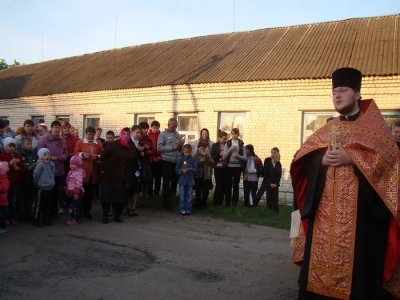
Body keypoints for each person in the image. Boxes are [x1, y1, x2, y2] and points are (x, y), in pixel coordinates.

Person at [291, 67, 400, 299]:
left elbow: (390, 162)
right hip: (324, 221)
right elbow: (303, 160)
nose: (337, 95)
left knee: (360, 282)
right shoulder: (326, 129)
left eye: (342, 90)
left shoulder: (375, 130)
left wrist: (353, 158)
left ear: (357, 93)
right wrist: (321, 161)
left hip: (362, 222)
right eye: (334, 92)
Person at [100, 127, 139, 224]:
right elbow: (103, 156)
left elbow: (135, 163)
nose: (126, 136)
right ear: (121, 134)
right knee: (107, 198)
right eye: (124, 134)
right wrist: (104, 169)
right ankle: (105, 216)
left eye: (127, 134)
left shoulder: (132, 148)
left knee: (121, 199)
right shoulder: (112, 145)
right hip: (110, 177)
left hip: (125, 178)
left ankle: (117, 215)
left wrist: (135, 175)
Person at [36, 120, 68, 217]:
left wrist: (64, 157)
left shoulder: (62, 139)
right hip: (47, 170)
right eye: (56, 128)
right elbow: (39, 153)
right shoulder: (44, 139)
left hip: (59, 170)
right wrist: (51, 158)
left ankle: (54, 213)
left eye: (59, 128)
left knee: (57, 193)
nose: (58, 130)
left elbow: (66, 152)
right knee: (48, 194)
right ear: (51, 128)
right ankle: (44, 214)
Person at [74, 126, 103, 219]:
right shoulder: (80, 142)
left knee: (90, 195)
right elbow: (75, 153)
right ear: (86, 134)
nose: (90, 136)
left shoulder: (98, 143)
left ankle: (87, 212)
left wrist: (97, 157)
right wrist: (83, 155)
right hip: (82, 173)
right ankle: (78, 211)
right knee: (81, 193)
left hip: (93, 173)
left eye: (92, 134)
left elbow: (103, 154)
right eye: (89, 134)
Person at [157, 118, 184, 210]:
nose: (174, 128)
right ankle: (166, 203)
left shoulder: (177, 134)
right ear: (168, 125)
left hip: (176, 161)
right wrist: (172, 147)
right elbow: (159, 148)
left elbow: (179, 148)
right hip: (166, 161)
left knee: (175, 181)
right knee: (166, 182)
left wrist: (180, 146)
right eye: (173, 126)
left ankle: (172, 199)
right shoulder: (163, 134)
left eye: (176, 127)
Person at [0, 138, 24, 226]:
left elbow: (22, 167)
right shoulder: (2, 156)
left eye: (13, 146)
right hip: (5, 183)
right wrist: (10, 163)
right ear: (5, 146)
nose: (12, 148)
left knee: (13, 201)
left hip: (15, 182)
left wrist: (19, 168)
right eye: (10, 146)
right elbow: (1, 168)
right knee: (5, 201)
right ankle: (5, 218)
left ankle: (12, 217)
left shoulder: (17, 156)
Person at [222, 128, 247, 208]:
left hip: (237, 167)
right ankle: (227, 203)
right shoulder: (228, 143)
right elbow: (224, 156)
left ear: (238, 134)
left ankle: (234, 204)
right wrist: (230, 149)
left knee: (235, 186)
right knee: (228, 185)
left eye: (235, 134)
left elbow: (245, 158)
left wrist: (238, 156)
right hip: (229, 167)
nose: (234, 136)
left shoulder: (241, 144)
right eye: (232, 134)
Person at [32, 148, 55, 227]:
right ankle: (36, 219)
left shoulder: (51, 164)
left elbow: (52, 173)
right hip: (42, 188)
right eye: (45, 155)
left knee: (46, 204)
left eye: (48, 154)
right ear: (41, 156)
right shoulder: (40, 164)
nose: (47, 156)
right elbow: (36, 175)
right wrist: (36, 184)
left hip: (50, 187)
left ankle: (44, 218)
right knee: (39, 204)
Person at [16, 137, 37, 221]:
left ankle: (28, 213)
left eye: (30, 144)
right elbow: (22, 164)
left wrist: (33, 165)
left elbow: (34, 161)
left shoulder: (32, 153)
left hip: (30, 177)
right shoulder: (20, 154)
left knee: (30, 197)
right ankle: (20, 215)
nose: (30, 146)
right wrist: (27, 167)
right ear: (22, 145)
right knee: (21, 198)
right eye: (27, 144)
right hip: (23, 178)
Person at [175, 144, 197, 215]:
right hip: (182, 180)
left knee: (189, 195)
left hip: (190, 180)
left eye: (189, 152)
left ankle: (188, 209)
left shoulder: (193, 160)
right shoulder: (180, 159)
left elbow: (196, 169)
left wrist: (192, 170)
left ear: (191, 152)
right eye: (186, 152)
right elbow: (177, 169)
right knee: (182, 195)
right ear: (183, 152)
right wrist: (182, 171)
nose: (187, 154)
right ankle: (182, 209)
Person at [65, 155, 85, 225]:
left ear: (78, 164)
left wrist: (76, 192)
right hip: (71, 191)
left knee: (76, 206)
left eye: (73, 164)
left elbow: (79, 183)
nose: (71, 165)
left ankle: (75, 219)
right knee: (73, 206)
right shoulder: (72, 171)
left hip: (75, 192)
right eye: (70, 164)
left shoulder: (78, 172)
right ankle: (73, 218)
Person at [210, 130, 228, 205]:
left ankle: (221, 201)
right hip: (217, 167)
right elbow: (211, 157)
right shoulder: (215, 146)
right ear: (219, 138)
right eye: (223, 139)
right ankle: (216, 201)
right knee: (219, 184)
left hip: (225, 167)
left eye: (226, 139)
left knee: (224, 184)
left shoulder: (227, 145)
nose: (225, 140)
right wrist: (220, 155)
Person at [194, 142, 214, 209]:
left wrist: (207, 157)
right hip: (198, 176)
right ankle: (198, 204)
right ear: (198, 148)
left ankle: (204, 204)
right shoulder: (195, 156)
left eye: (203, 149)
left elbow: (212, 162)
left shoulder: (207, 155)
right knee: (198, 191)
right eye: (200, 148)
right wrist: (200, 161)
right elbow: (193, 164)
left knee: (205, 191)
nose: (202, 150)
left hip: (206, 176)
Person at [148, 121, 161, 199]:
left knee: (158, 177)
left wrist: (160, 157)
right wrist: (152, 157)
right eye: (154, 128)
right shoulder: (148, 136)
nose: (155, 129)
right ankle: (150, 192)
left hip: (159, 159)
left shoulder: (161, 135)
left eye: (157, 128)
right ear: (151, 128)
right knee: (150, 177)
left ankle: (157, 192)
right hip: (151, 159)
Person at [0, 162, 9, 233]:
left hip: (2, 201)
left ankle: (2, 227)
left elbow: (4, 189)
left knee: (2, 216)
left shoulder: (5, 180)